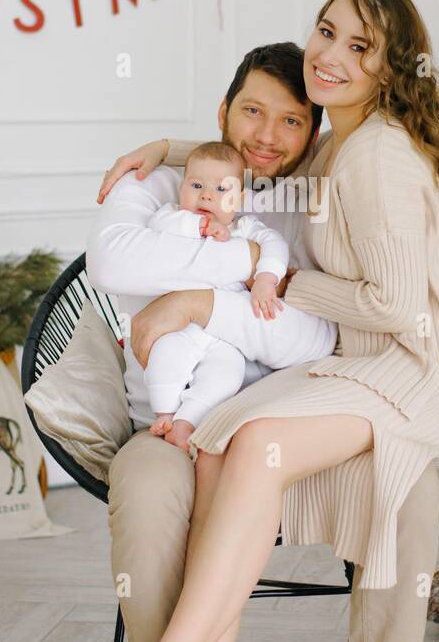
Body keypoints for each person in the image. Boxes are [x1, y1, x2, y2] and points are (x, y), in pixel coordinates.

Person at [82, 0, 439, 642]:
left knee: (379, 476)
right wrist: (171, 152)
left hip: (409, 367)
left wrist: (250, 283)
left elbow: (388, 305)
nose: (333, 53)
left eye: (360, 45)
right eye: (326, 32)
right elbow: (138, 245)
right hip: (317, 380)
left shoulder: (368, 158)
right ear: (226, 114)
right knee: (218, 451)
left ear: (385, 70)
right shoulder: (268, 166)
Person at [144, 139, 336, 449]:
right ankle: (163, 412)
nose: (207, 195)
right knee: (165, 354)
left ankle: (185, 421)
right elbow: (159, 223)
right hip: (183, 326)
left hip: (226, 338)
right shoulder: (172, 218)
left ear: (240, 199)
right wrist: (200, 228)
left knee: (226, 377)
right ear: (182, 190)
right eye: (196, 185)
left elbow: (275, 245)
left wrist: (265, 279)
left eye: (222, 189)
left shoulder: (245, 228)